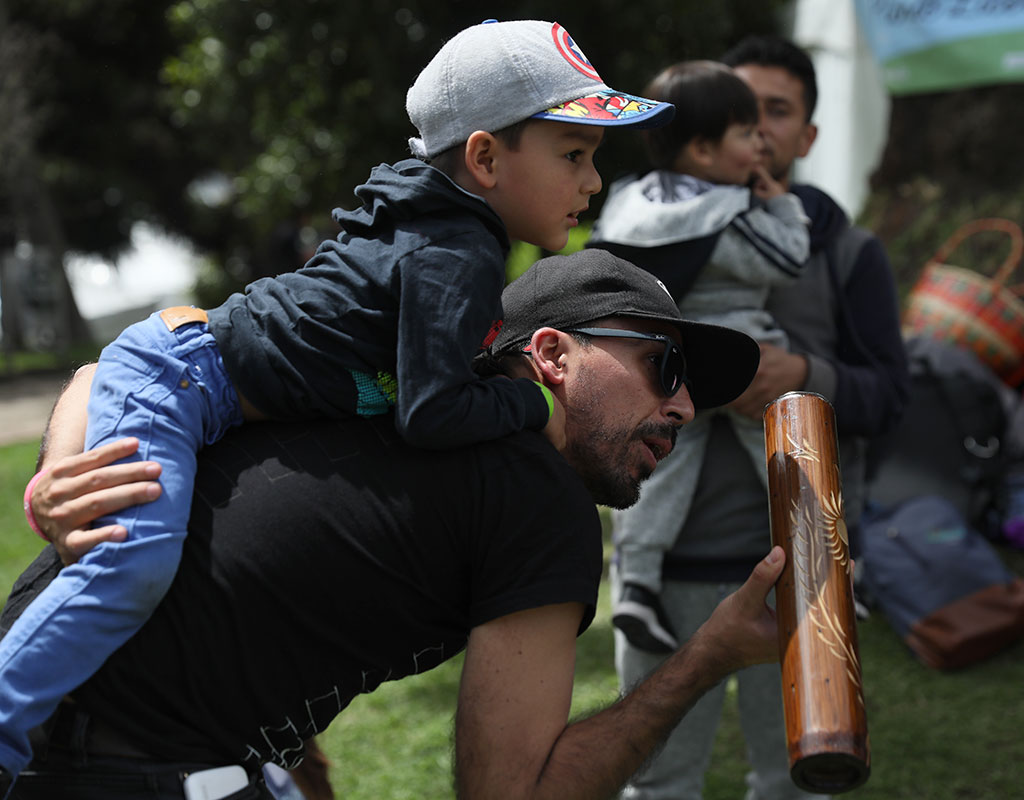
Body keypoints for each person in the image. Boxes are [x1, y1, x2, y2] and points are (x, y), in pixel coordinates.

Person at [0, 18, 676, 782]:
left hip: (180, 384)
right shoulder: (456, 255)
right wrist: (534, 410)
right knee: (131, 568)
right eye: (574, 155)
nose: (592, 181)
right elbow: (429, 412)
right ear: (485, 157)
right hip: (180, 387)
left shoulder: (433, 238)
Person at [1, 250, 778, 800]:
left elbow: (111, 372)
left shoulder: (379, 388)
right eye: (664, 369)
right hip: (126, 769)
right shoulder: (538, 493)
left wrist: (57, 471)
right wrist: (707, 656)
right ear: (551, 355)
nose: (681, 409)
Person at [604, 35, 910, 799]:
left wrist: (801, 374)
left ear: (808, 135)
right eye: (741, 110)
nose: (759, 129)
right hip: (668, 573)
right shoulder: (652, 224)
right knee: (658, 779)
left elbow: (891, 398)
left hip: (801, 574)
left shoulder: (844, 250)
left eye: (776, 112)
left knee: (800, 774)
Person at [587, 59, 811, 652]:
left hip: (664, 365)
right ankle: (820, 567)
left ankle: (635, 584)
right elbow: (786, 261)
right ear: (706, 152)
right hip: (741, 361)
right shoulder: (728, 213)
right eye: (746, 133)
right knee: (784, 459)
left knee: (658, 473)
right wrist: (780, 204)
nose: (759, 142)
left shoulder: (631, 201)